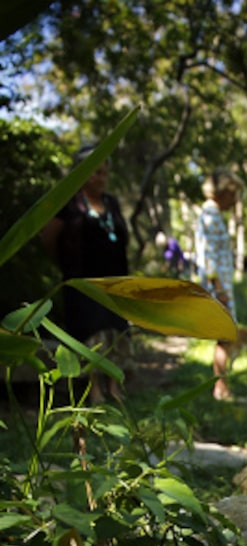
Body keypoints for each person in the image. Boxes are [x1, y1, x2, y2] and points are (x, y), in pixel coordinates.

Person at [40, 144, 130, 402]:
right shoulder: (70, 204)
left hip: (114, 281)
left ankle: (114, 386)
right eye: (94, 172)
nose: (100, 177)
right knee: (91, 333)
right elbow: (49, 238)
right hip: (83, 281)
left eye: (103, 172)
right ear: (81, 173)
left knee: (116, 330)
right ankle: (95, 388)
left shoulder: (110, 202)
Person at [194, 168, 242, 400]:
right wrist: (219, 288)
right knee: (225, 339)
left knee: (225, 339)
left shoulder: (212, 214)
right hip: (218, 287)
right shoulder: (211, 215)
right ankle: (220, 388)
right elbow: (209, 255)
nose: (235, 200)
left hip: (220, 284)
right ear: (224, 191)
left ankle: (222, 386)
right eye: (234, 194)